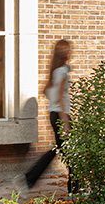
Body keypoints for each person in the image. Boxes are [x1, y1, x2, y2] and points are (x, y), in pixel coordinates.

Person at [25, 39, 77, 194]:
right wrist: (65, 121)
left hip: (53, 114)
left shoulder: (55, 71)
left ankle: (29, 178)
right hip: (61, 116)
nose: (70, 52)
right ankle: (74, 188)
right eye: (68, 50)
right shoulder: (61, 72)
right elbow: (60, 97)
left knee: (60, 149)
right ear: (65, 54)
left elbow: (45, 91)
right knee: (73, 151)